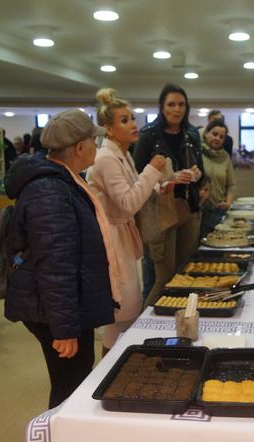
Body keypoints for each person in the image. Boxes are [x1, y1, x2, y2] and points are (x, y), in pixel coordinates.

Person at [4, 110, 116, 408]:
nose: (97, 146)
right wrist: (64, 329)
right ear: (79, 147)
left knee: (75, 380)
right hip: (55, 309)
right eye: (94, 140)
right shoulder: (50, 191)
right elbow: (56, 266)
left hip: (64, 304)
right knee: (70, 387)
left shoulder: (63, 181)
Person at [87, 88, 166, 354]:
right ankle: (109, 368)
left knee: (123, 311)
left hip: (121, 232)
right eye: (124, 120)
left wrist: (161, 185)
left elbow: (134, 189)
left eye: (132, 118)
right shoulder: (106, 158)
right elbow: (129, 202)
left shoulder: (122, 153)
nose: (133, 124)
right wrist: (153, 170)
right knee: (120, 310)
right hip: (111, 235)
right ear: (108, 129)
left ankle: (115, 364)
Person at [133, 83, 204, 306]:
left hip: (188, 207)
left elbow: (200, 169)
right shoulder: (148, 135)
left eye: (181, 104)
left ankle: (177, 319)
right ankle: (144, 327)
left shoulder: (191, 133)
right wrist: (169, 179)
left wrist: (197, 174)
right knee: (162, 276)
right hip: (160, 212)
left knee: (184, 272)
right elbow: (137, 177)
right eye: (171, 104)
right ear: (162, 107)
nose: (177, 109)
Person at [200, 119, 236, 234]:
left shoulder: (225, 156)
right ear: (206, 133)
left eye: (221, 137)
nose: (217, 138)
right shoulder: (197, 153)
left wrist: (228, 202)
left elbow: (231, 185)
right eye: (214, 134)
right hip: (199, 209)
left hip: (218, 210)